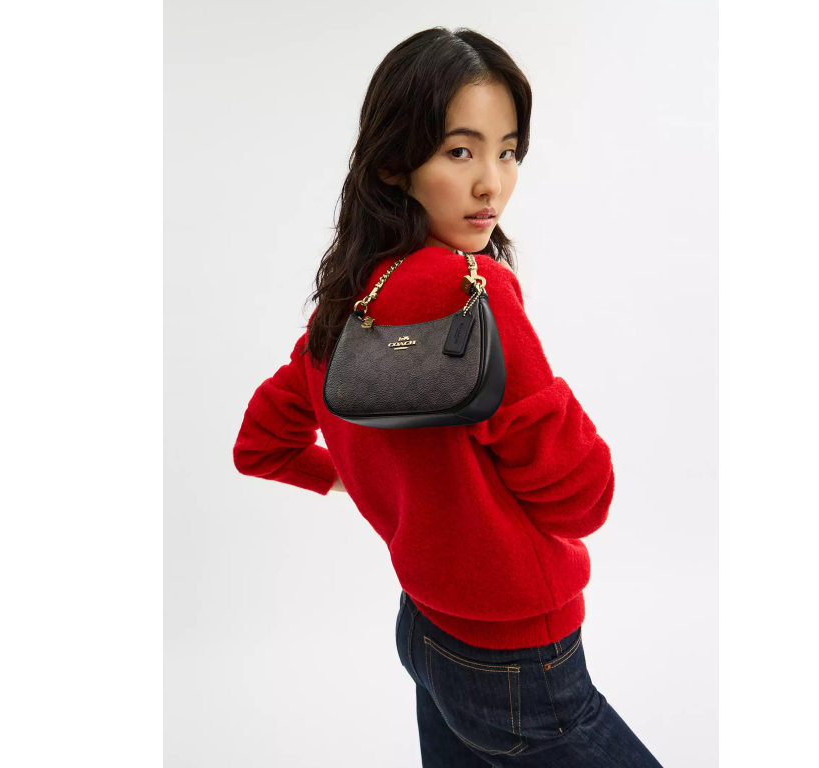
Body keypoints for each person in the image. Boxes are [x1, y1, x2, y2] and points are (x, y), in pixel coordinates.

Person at [232, 26, 663, 767]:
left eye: (509, 151)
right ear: (394, 162)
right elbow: (584, 499)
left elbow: (261, 444)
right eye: (461, 152)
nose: (492, 183)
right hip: (519, 656)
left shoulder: (348, 303)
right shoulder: (474, 290)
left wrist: (377, 486)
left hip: (426, 631)